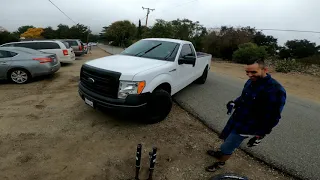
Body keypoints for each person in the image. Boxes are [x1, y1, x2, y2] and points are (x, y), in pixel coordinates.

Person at [205, 59, 287, 172]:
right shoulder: (250, 81)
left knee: (228, 146)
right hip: (237, 118)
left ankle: (220, 163)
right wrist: (234, 103)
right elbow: (244, 97)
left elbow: (274, 117)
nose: (249, 75)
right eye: (247, 72)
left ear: (265, 70)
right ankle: (221, 153)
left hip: (247, 126)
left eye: (253, 72)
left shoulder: (275, 90)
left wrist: (261, 134)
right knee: (226, 138)